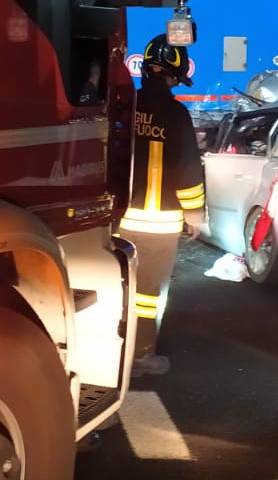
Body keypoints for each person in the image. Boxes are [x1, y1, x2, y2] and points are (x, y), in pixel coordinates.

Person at [117, 34, 205, 377]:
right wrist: (194, 214)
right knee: (147, 293)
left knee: (121, 285)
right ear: (173, 74)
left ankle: (116, 351)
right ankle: (141, 356)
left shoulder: (125, 106)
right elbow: (188, 169)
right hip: (160, 224)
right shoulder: (176, 114)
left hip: (119, 218)